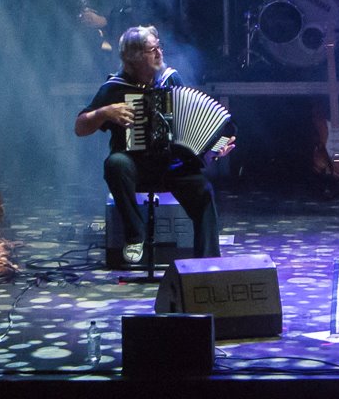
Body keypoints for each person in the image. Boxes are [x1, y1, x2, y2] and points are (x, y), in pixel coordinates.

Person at [76, 28, 232, 263]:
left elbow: (192, 124)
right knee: (115, 163)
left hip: (171, 166)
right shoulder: (115, 88)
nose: (160, 52)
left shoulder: (171, 80)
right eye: (152, 50)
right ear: (134, 58)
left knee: (203, 191)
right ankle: (134, 235)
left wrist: (212, 151)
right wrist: (104, 112)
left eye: (159, 47)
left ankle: (206, 263)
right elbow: (80, 127)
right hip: (134, 169)